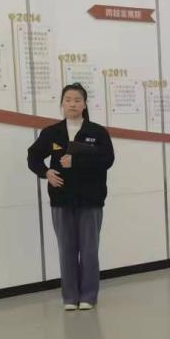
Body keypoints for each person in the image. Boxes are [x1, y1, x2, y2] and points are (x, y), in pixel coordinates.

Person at [27, 83, 115, 311]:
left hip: (90, 199)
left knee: (89, 250)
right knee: (66, 249)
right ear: (62, 104)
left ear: (84, 104)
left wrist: (77, 161)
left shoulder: (97, 132)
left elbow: (107, 160)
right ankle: (70, 297)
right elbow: (33, 156)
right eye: (68, 100)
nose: (72, 104)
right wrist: (45, 172)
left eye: (77, 100)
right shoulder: (52, 132)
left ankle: (89, 296)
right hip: (61, 199)